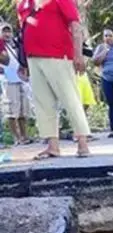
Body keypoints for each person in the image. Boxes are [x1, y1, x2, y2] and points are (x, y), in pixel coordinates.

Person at [17, 0, 91, 159]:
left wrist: (78, 54)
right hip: (33, 57)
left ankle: (82, 142)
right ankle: (53, 145)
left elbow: (75, 25)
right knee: (43, 102)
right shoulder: (23, 4)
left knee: (70, 98)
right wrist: (22, 61)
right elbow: (24, 30)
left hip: (58, 54)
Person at [1, 23, 32, 145]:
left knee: (24, 110)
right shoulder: (1, 46)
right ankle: (16, 137)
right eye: (4, 31)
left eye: (9, 31)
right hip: (8, 80)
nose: (7, 34)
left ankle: (24, 136)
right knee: (12, 110)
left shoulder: (16, 45)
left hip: (21, 79)